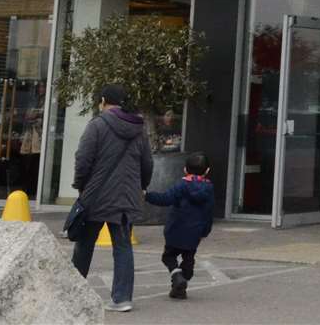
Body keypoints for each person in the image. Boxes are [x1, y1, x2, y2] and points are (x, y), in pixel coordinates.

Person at [71, 83, 154, 313]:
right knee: (123, 245)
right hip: (126, 196)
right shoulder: (139, 128)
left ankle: (72, 291)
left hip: (97, 195)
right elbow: (147, 163)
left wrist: (81, 185)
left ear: (104, 101)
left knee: (85, 244)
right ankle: (122, 298)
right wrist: (142, 186)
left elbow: (83, 159)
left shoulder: (97, 126)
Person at [144, 152, 215, 301]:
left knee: (168, 256)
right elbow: (209, 213)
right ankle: (180, 286)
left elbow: (165, 199)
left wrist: (147, 195)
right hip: (195, 232)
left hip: (175, 229)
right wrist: (205, 231)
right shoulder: (209, 189)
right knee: (189, 258)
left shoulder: (182, 185)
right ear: (207, 171)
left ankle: (177, 276)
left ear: (185, 169)